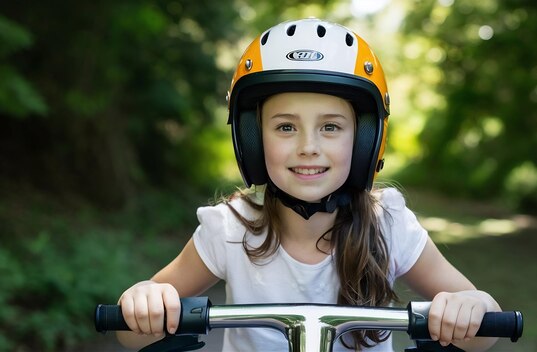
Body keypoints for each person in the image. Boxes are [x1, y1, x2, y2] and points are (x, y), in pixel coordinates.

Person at [116, 18, 501, 351]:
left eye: (330, 127)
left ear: (366, 140)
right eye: (286, 127)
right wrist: (146, 301)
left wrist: (473, 305)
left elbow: (486, 335)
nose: (308, 147)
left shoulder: (389, 225)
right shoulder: (230, 228)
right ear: (251, 139)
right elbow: (129, 335)